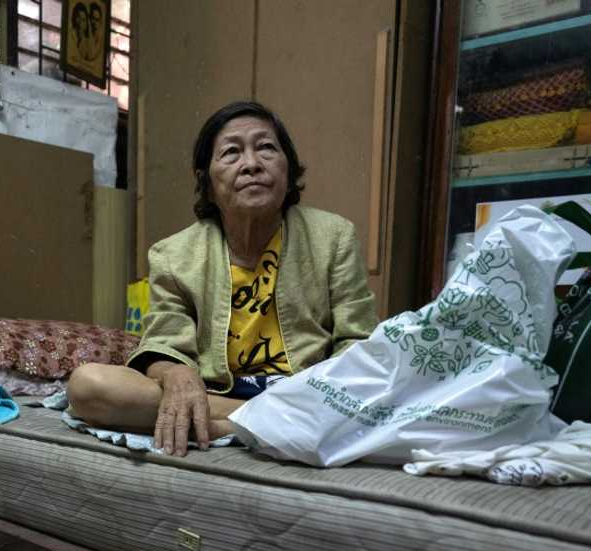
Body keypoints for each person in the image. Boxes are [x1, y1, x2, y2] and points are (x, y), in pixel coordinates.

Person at [68, 101, 377, 457]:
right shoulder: (174, 254)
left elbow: (359, 341)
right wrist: (176, 375)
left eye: (266, 148)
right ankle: (261, 422)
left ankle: (231, 425)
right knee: (88, 385)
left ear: (288, 170)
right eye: (231, 153)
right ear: (208, 183)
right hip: (217, 394)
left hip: (306, 392)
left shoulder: (333, 236)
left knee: (387, 385)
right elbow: (163, 344)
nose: (251, 164)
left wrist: (320, 394)